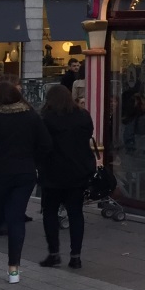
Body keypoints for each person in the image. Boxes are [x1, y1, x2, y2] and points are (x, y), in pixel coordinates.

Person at [0, 78, 50, 283]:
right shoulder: (30, 116)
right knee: (16, 218)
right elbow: (45, 144)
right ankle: (13, 269)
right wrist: (32, 161)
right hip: (24, 173)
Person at [38, 84, 95, 269]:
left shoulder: (46, 118)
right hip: (77, 171)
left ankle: (53, 253)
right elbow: (88, 135)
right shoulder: (83, 116)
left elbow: (42, 145)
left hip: (53, 172)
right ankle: (76, 256)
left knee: (50, 213)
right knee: (76, 213)